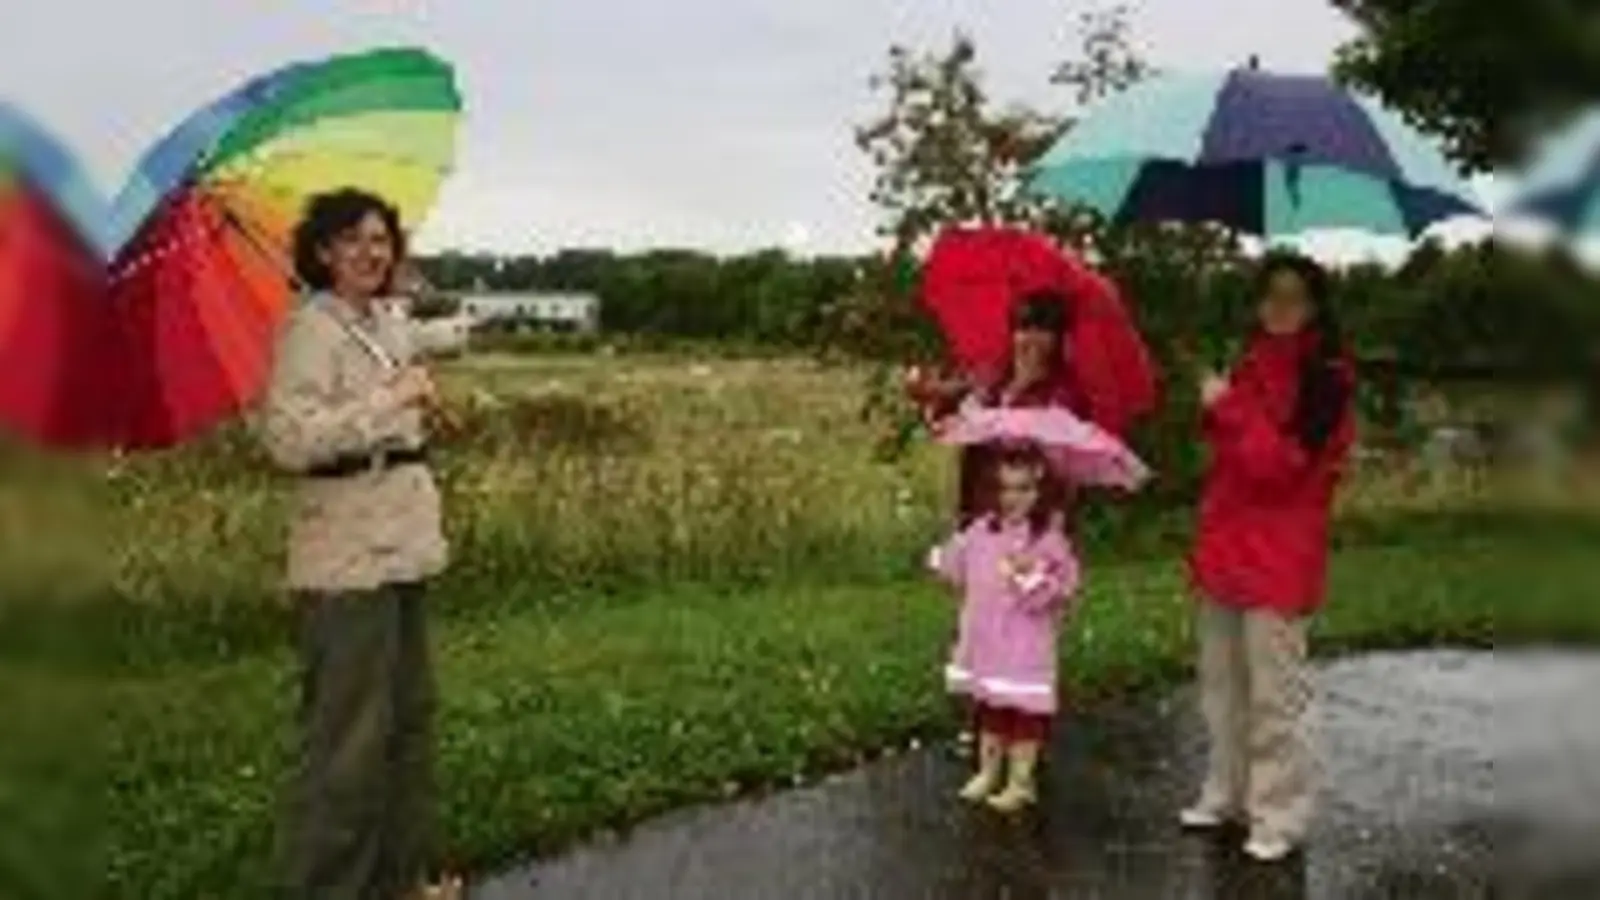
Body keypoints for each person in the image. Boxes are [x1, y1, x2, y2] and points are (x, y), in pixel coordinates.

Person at [257, 188, 462, 899]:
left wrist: (416, 392)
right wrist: (388, 402)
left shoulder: (381, 322)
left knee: (407, 722)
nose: (370, 252)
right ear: (322, 252)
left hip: (403, 546)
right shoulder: (308, 330)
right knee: (348, 746)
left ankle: (397, 882)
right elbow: (289, 440)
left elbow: (434, 342)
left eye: (380, 239)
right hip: (346, 560)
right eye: (351, 240)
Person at [1179, 251, 1356, 863]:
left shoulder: (1328, 380)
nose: (1280, 307)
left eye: (1294, 296)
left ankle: (1278, 815)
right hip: (1226, 546)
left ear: (1315, 306)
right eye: (1270, 294)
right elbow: (1229, 453)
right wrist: (1220, 403)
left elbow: (1281, 468)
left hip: (1281, 554)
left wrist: (1225, 406)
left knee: (1274, 695)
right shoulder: (1249, 363)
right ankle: (1227, 795)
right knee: (1221, 686)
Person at [927, 442, 1080, 813]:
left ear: (1041, 491)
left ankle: (1021, 780)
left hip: (1025, 645)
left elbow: (1064, 589)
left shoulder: (1048, 539)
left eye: (1024, 489)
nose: (1013, 498)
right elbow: (955, 573)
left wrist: (1032, 576)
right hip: (986, 639)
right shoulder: (982, 530)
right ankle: (988, 770)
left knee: (1024, 712)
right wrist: (950, 549)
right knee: (990, 707)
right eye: (1004, 488)